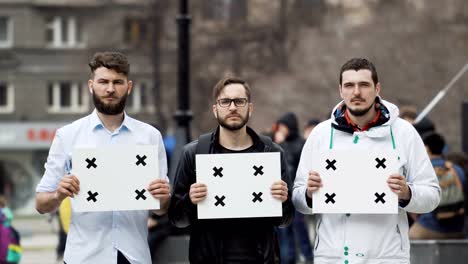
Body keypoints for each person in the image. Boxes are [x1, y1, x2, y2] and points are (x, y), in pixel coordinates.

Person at [293, 58, 440, 263]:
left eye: (364, 85)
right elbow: (298, 198)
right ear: (340, 90)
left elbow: (432, 195)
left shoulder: (404, 133)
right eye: (349, 85)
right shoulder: (320, 135)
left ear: (377, 88)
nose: (356, 92)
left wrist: (407, 193)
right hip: (332, 256)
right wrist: (309, 193)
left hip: (387, 256)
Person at [35, 52, 170, 264]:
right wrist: (59, 194)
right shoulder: (68, 136)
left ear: (129, 86)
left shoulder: (150, 136)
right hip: (84, 256)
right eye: (103, 82)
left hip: (133, 256)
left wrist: (163, 196)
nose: (110, 89)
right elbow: (41, 203)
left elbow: (160, 208)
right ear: (91, 85)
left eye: (118, 82)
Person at [168, 76, 294, 264]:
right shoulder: (194, 153)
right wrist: (190, 200)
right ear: (215, 109)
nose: (233, 107)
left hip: (260, 259)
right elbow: (177, 219)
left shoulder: (272, 152)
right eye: (225, 101)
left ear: (249, 108)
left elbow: (285, 220)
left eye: (240, 101)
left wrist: (283, 201)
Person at [273, 112, 314, 264]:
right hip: (283, 194)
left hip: (295, 192)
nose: (281, 129)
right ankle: (288, 259)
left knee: (299, 228)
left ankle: (308, 257)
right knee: (283, 230)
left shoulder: (301, 143)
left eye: (283, 126)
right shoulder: (278, 144)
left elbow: (298, 167)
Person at [409, 132, 465, 239]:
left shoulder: (422, 171)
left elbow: (412, 204)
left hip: (429, 228)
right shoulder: (456, 169)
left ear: (426, 148)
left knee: (404, 241)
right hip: (457, 230)